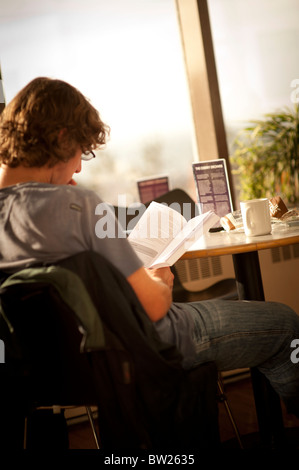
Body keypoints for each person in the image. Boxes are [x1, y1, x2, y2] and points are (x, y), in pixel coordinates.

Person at [0, 77, 299, 421]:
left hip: (50, 370)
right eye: (81, 151)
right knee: (286, 324)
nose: (80, 167)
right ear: (62, 137)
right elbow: (155, 307)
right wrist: (160, 278)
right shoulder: (77, 205)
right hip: (148, 346)